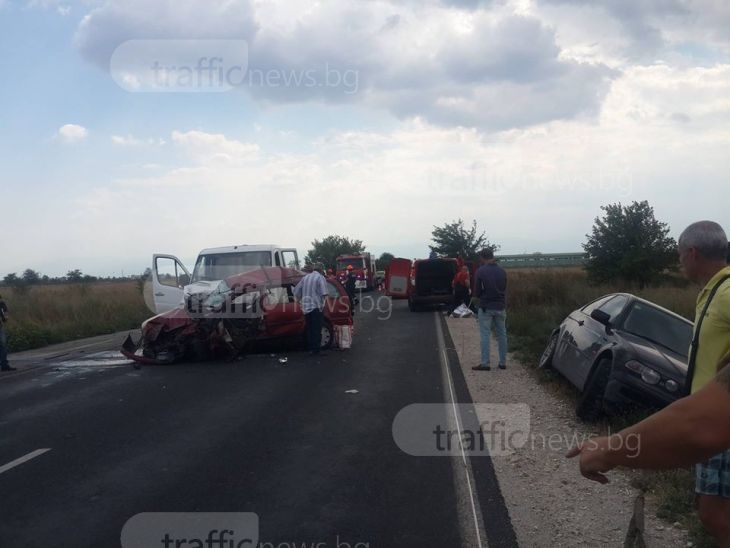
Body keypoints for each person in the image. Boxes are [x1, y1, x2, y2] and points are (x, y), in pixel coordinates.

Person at [570, 221, 730, 546]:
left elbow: (703, 426)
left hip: (715, 419)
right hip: (707, 413)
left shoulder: (727, 292)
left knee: (715, 513)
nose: (679, 261)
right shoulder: (711, 292)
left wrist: (611, 449)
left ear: (692, 253)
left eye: (680, 255)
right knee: (711, 510)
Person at [472, 248, 507, 371]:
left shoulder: (481, 271)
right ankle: (503, 363)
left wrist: (478, 297)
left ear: (482, 257)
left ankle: (485, 363)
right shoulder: (502, 271)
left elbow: (477, 291)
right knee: (502, 334)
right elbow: (504, 288)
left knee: (485, 335)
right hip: (500, 306)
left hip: (486, 306)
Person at [293, 264, 329, 356]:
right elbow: (324, 293)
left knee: (310, 328)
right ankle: (316, 350)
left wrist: (301, 301)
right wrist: (323, 305)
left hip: (306, 308)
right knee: (317, 329)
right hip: (316, 307)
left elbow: (296, 291)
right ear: (321, 271)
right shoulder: (320, 277)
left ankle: (311, 349)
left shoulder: (305, 278)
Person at [0, 293, 15, 372]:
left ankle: (4, 365)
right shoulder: (2, 303)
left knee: (3, 346)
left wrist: (5, 318)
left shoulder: (2, 304)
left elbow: (5, 313)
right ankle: (4, 365)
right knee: (3, 346)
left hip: (0, 327)